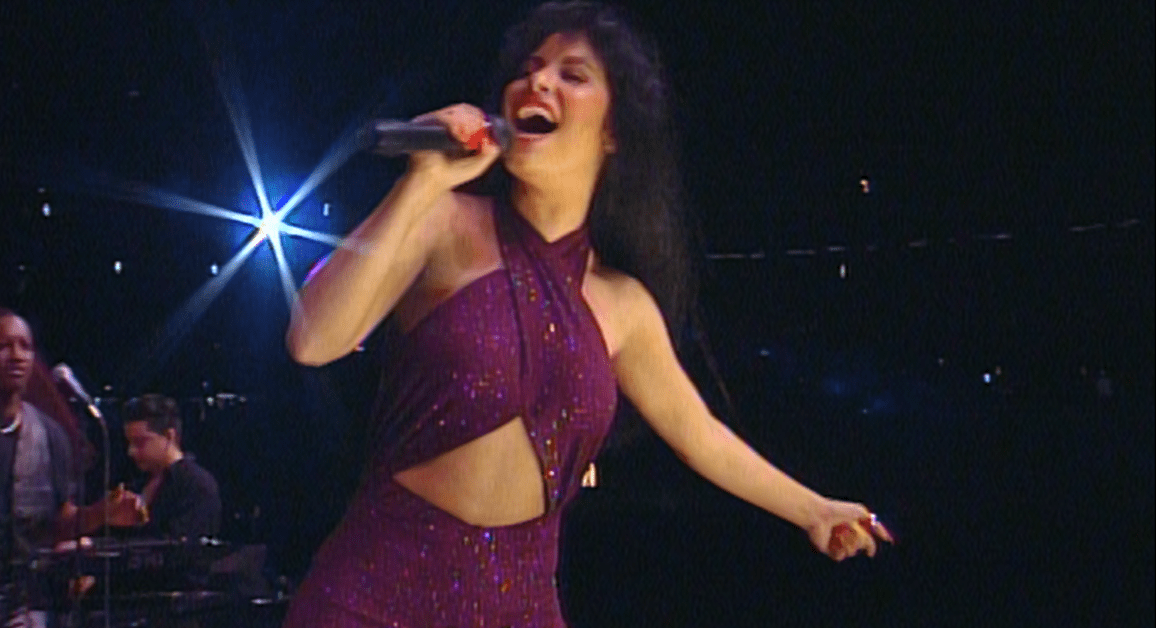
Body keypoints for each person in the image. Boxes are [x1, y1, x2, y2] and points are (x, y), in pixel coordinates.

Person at [282, 3, 894, 626]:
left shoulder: (622, 303)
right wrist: (420, 183)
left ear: (613, 132)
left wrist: (814, 509)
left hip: (518, 603)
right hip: (377, 588)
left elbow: (701, 436)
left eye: (571, 75)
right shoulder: (443, 221)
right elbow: (312, 339)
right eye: (529, 68)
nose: (538, 82)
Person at [0, 310, 146, 628]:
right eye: (3, 346)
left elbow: (58, 523)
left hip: (21, 606)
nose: (17, 356)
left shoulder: (49, 434)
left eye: (25, 346)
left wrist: (102, 513)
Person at [120, 394, 222, 540]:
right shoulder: (138, 481)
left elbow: (183, 546)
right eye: (129, 443)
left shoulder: (197, 485)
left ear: (169, 436)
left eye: (140, 442)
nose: (131, 451)